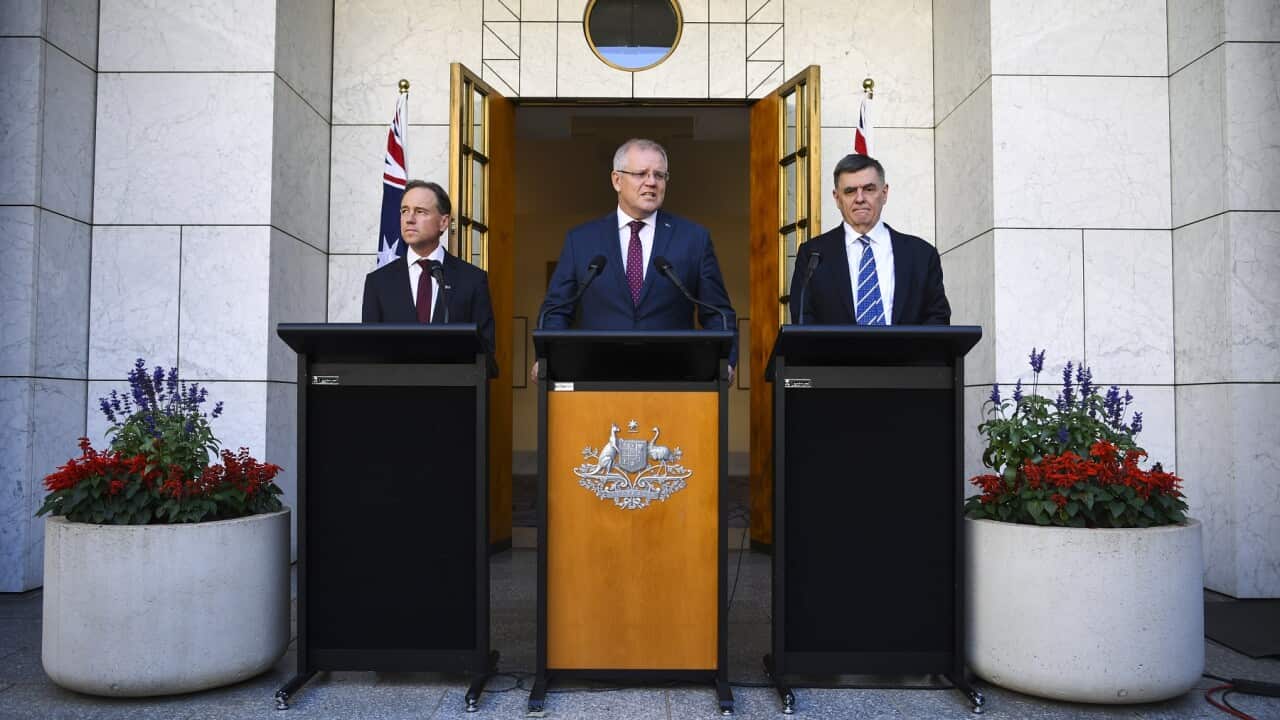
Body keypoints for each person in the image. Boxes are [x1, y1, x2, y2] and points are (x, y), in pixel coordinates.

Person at [536, 138, 737, 379]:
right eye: (641, 174)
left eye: (659, 175)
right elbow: (556, 311)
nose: (651, 182)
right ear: (617, 180)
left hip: (674, 379)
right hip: (596, 378)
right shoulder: (581, 240)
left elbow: (717, 313)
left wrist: (726, 362)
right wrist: (546, 359)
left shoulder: (694, 238)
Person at [790, 154, 950, 325]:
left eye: (869, 189)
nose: (860, 199)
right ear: (837, 198)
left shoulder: (921, 254)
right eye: (850, 191)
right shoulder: (812, 256)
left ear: (884, 193)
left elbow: (938, 318)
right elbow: (803, 321)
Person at [362, 180, 497, 370]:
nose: (409, 219)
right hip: (395, 387)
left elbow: (486, 354)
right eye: (404, 211)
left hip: (452, 387)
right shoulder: (378, 282)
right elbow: (369, 353)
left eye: (420, 211)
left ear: (443, 222)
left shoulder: (473, 280)